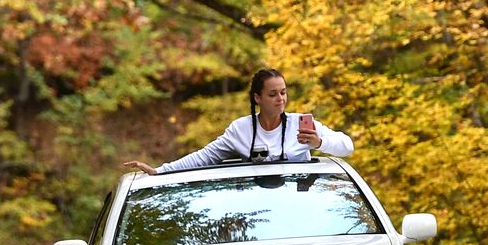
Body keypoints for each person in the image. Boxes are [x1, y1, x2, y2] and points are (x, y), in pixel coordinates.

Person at [122, 68, 353, 175]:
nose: (280, 99)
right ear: (257, 98)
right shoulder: (241, 129)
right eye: (273, 94)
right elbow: (205, 157)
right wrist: (160, 171)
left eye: (283, 92)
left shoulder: (299, 124)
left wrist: (319, 142)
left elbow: (347, 146)